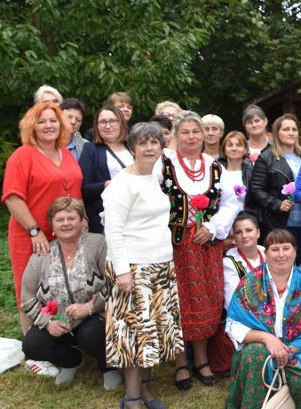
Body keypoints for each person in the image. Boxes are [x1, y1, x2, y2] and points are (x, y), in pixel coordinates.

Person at [103, 123, 183, 408]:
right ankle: (132, 397)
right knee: (135, 335)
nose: (150, 148)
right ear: (132, 148)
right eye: (143, 143)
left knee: (154, 333)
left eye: (155, 143)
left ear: (162, 147)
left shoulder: (153, 176)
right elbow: (113, 231)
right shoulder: (121, 184)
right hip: (133, 268)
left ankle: (147, 389)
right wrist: (123, 271)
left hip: (160, 264)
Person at [161, 110, 238, 389]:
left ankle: (203, 360)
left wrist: (214, 227)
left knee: (206, 300)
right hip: (174, 247)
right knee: (178, 301)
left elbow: (231, 203)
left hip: (206, 247)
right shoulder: (165, 163)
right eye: (186, 132)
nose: (192, 137)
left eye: (197, 132)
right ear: (175, 135)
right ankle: (181, 362)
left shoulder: (215, 166)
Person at [3, 101, 83, 334]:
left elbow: (75, 191)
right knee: (29, 288)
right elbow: (12, 197)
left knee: (57, 286)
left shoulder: (66, 155)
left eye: (53, 120)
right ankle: (32, 345)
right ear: (32, 126)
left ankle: (58, 338)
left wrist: (83, 218)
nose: (49, 125)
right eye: (42, 121)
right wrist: (34, 230)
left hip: (65, 234)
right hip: (31, 235)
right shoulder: (22, 156)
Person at [226, 229, 301, 409]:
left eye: (286, 248)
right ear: (265, 253)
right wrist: (267, 338)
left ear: (295, 251)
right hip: (261, 347)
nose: (281, 254)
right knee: (253, 356)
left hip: (297, 350)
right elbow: (233, 324)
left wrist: (288, 349)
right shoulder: (250, 283)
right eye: (275, 249)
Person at [21, 197, 116, 387]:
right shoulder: (42, 253)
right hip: (59, 321)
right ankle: (72, 361)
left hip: (95, 316)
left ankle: (108, 366)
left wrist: (90, 307)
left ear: (82, 221)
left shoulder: (98, 244)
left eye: (71, 218)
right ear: (52, 225)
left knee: (91, 334)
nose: (66, 224)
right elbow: (26, 297)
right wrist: (47, 322)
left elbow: (114, 283)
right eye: (60, 219)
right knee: (32, 344)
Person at [208, 212, 266, 376]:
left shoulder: (269, 254)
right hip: (244, 317)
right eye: (239, 232)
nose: (244, 235)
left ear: (258, 232)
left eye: (249, 230)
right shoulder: (229, 263)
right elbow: (233, 302)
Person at [250, 114, 301, 261]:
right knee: (286, 263)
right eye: (286, 129)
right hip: (282, 222)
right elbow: (256, 189)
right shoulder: (266, 157)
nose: (291, 133)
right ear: (277, 132)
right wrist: (277, 204)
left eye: (294, 129)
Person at [80, 105, 132, 234]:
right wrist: (108, 184)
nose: (108, 126)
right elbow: (84, 188)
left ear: (121, 123)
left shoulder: (134, 146)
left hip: (136, 215)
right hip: (107, 219)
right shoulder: (90, 149)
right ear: (96, 126)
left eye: (113, 121)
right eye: (103, 122)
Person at [219, 130, 254, 228]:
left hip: (245, 223)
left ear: (245, 149)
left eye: (238, 145)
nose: (234, 149)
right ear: (224, 149)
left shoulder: (252, 173)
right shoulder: (217, 172)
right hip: (221, 223)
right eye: (230, 145)